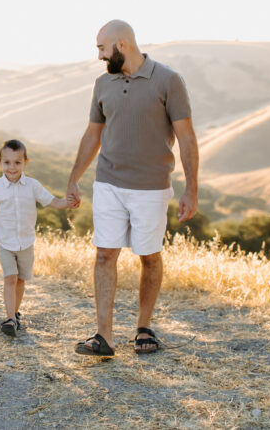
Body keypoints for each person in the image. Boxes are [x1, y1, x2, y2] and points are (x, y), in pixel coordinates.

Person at [66, 20, 199, 357]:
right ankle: (104, 336)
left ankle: (143, 326)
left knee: (149, 257)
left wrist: (191, 189)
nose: (98, 55)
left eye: (101, 48)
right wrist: (74, 176)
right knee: (104, 253)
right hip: (109, 182)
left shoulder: (168, 80)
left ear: (121, 44)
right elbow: (92, 135)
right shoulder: (102, 84)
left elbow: (186, 137)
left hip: (152, 188)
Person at [0, 139, 79, 337]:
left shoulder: (32, 185)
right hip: (5, 241)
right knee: (10, 277)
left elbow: (53, 202)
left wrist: (68, 203)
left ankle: (15, 313)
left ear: (26, 162)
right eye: (7, 162)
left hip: (26, 241)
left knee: (21, 280)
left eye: (17, 162)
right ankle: (9, 319)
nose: (12, 167)